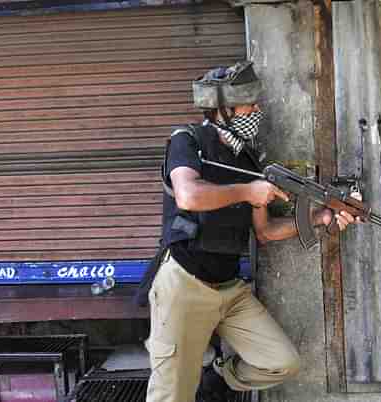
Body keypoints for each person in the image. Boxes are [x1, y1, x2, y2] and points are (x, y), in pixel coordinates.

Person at [145, 61, 357, 402]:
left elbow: (266, 231)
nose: (257, 110)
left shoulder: (247, 161)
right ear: (224, 110)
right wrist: (248, 191)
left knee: (282, 363)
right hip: (184, 284)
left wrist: (322, 218)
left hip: (229, 290)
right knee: (171, 395)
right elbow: (188, 196)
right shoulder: (188, 141)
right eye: (249, 104)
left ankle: (218, 381)